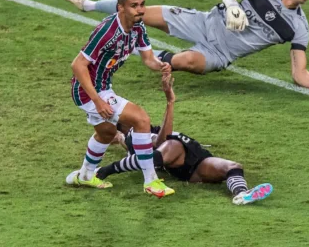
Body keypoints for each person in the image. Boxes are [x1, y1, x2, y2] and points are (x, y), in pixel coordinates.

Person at [60, 0, 309, 94]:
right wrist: (230, 2)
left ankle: (135, 47)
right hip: (204, 21)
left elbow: (298, 72)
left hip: (218, 52)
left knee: (184, 62)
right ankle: (86, 4)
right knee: (144, 12)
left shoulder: (299, 27)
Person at [65, 0, 175, 198]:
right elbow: (78, 65)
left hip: (103, 87)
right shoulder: (107, 31)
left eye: (142, 4)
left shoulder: (138, 27)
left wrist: (161, 65)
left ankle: (85, 176)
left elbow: (148, 59)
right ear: (120, 8)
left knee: (106, 133)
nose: (140, 10)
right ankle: (151, 181)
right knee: (141, 118)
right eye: (134, 5)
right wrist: (98, 101)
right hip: (89, 91)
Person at [97, 73, 274, 205]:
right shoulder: (135, 135)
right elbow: (161, 142)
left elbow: (117, 137)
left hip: (196, 160)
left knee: (233, 167)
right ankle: (105, 170)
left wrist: (112, 137)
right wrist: (170, 102)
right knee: (170, 144)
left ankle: (241, 194)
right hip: (176, 153)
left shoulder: (128, 137)